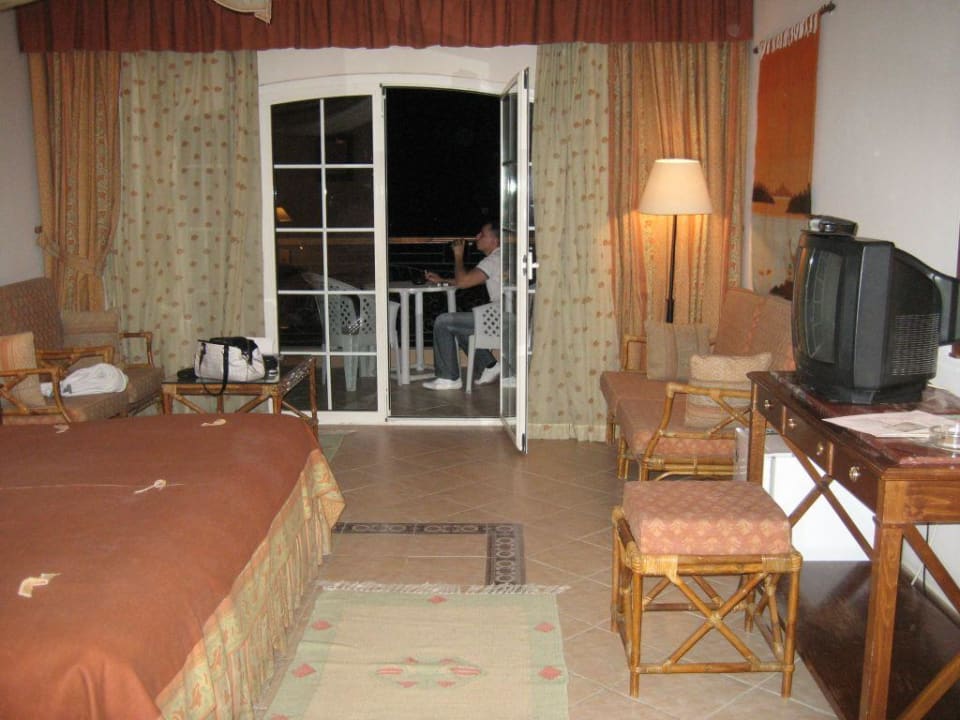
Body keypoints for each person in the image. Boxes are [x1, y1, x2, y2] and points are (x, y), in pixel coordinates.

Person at [422, 221, 501, 390]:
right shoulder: (501, 258)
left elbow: (463, 282)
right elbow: (470, 279)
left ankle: (449, 378)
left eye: (482, 234)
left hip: (500, 318)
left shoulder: (494, 260)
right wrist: (443, 280)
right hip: (508, 315)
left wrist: (458, 255)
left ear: (495, 241)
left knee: (443, 322)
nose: (477, 237)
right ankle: (490, 365)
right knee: (459, 326)